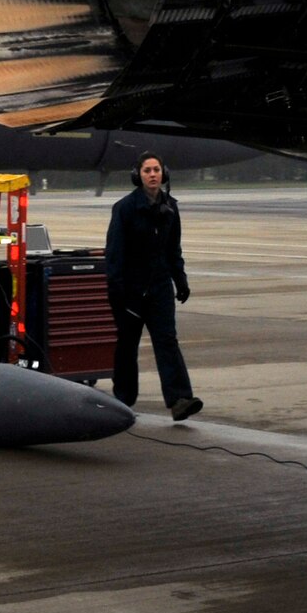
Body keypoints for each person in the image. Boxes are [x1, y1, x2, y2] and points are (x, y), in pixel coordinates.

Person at [105, 152, 203, 420]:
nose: (152, 174)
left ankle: (180, 399)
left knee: (167, 341)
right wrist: (116, 290)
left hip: (159, 288)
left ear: (163, 174)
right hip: (131, 291)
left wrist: (180, 280)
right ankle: (124, 400)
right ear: (138, 175)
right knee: (127, 345)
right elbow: (114, 253)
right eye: (147, 170)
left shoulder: (170, 207)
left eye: (156, 170)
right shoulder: (124, 208)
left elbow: (174, 248)